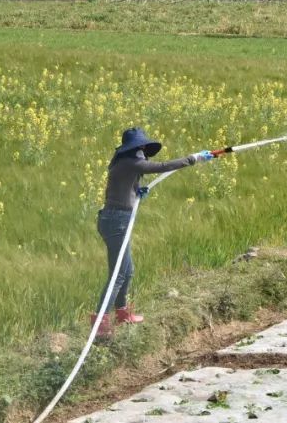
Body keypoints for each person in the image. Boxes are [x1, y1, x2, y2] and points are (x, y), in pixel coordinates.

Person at [91, 127, 214, 337]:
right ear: (136, 148)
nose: (144, 150)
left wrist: (135, 190)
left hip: (115, 220)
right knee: (118, 274)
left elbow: (120, 187)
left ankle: (122, 313)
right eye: (142, 147)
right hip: (116, 222)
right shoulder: (132, 162)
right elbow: (164, 166)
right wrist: (194, 159)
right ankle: (100, 323)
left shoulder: (125, 164)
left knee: (127, 271)